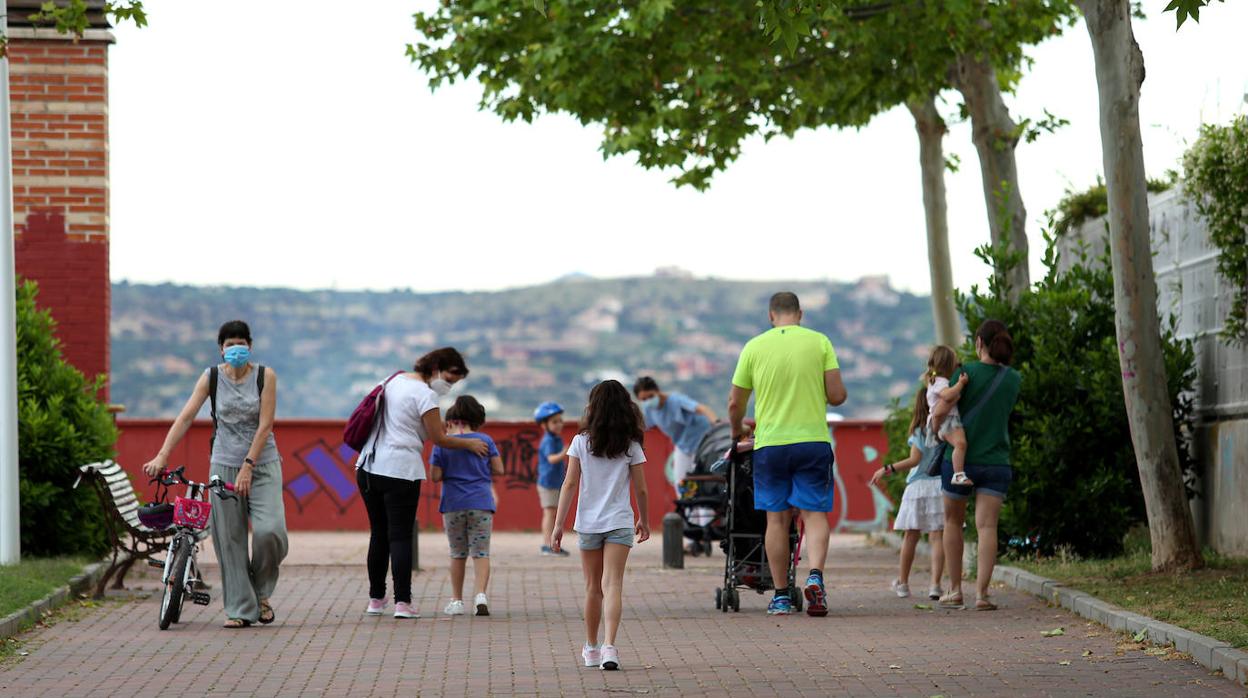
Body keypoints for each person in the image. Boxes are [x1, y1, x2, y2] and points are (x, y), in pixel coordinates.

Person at [142, 320, 288, 629]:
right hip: (223, 464)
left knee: (270, 531)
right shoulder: (211, 378)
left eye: (241, 343)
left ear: (250, 346)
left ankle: (261, 593)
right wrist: (162, 455)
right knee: (229, 539)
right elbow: (185, 417)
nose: (236, 348)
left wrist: (248, 465)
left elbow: (265, 426)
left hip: (261, 465)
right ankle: (240, 608)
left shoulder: (265, 376)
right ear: (221, 349)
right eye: (230, 344)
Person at [728, 292, 847, 617]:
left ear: (771, 316)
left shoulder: (754, 347)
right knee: (814, 514)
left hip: (770, 444)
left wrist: (736, 429)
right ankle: (815, 577)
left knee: (777, 520)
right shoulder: (820, 342)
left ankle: (781, 596)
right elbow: (837, 396)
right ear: (800, 314)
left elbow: (734, 404)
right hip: (812, 441)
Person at [355, 347, 490, 620]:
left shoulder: (390, 381)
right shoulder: (425, 394)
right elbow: (438, 437)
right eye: (450, 378)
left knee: (378, 534)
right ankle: (403, 602)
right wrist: (470, 443)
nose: (449, 386)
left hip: (368, 466)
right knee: (400, 536)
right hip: (401, 469)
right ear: (437, 367)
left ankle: (376, 598)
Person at [550, 380, 650, 671]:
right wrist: (643, 518)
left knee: (593, 587)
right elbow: (641, 489)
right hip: (620, 521)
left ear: (593, 408)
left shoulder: (580, 442)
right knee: (614, 584)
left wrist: (558, 525)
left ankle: (591, 648)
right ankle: (610, 647)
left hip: (588, 524)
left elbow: (569, 484)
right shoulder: (631, 444)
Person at [939, 320, 1022, 611]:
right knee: (987, 527)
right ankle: (982, 594)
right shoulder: (1014, 379)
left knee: (953, 523)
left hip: (960, 460)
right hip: (996, 461)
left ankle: (954, 589)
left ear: (978, 343)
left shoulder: (965, 373)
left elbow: (944, 408)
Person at [430, 395, 503, 617]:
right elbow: (499, 469)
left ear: (451, 420)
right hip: (481, 503)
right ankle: (480, 594)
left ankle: (457, 600)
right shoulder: (486, 441)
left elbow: (435, 476)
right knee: (481, 552)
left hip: (453, 504)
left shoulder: (442, 444)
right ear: (477, 418)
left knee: (457, 553)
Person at [870, 387, 945, 600]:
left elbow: (915, 460)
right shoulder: (946, 427)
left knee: (911, 535)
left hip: (919, 486)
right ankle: (935, 585)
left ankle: (903, 583)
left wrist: (887, 468)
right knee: (937, 536)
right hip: (940, 484)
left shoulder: (919, 431)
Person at [632, 376, 718, 499]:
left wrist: (717, 424)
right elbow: (644, 426)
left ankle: (704, 516)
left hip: (701, 443)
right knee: (681, 483)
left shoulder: (675, 400)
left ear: (657, 391)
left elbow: (702, 409)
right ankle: (687, 514)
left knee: (701, 484)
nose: (648, 401)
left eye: (651, 396)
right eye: (644, 399)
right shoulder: (649, 409)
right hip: (683, 446)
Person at [926, 345, 972, 486]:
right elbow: (947, 396)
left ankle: (958, 474)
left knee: (960, 444)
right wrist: (960, 384)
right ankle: (958, 474)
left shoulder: (934, 381)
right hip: (947, 420)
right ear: (947, 364)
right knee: (961, 444)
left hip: (944, 421)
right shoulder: (940, 382)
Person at [533, 401, 570, 556]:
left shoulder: (556, 438)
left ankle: (552, 544)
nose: (559, 424)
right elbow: (551, 459)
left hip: (554, 482)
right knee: (549, 513)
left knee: (553, 513)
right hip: (548, 483)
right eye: (555, 422)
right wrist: (565, 453)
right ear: (544, 425)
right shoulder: (549, 440)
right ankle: (547, 545)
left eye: (560, 420)